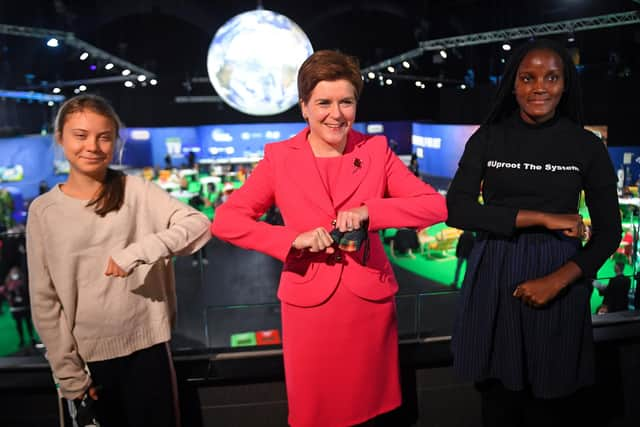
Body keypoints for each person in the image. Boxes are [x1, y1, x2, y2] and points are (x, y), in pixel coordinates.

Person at [211, 50, 447, 427]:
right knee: (315, 413)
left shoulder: (375, 150)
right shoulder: (279, 158)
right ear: (304, 106)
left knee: (375, 413)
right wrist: (292, 240)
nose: (336, 114)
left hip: (368, 307)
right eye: (323, 102)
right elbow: (226, 221)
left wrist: (372, 211)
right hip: (310, 309)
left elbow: (434, 206)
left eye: (346, 102)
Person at [446, 39, 621, 426]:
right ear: (514, 84)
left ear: (564, 85)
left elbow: (608, 233)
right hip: (494, 271)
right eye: (528, 77)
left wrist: (558, 280)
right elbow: (457, 210)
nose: (539, 86)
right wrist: (543, 217)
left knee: (552, 403)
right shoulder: (488, 137)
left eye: (551, 77)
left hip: (558, 276)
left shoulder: (586, 146)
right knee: (498, 402)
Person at [26, 94, 211, 427]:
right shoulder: (44, 211)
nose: (93, 146)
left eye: (104, 136)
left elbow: (198, 225)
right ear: (61, 139)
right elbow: (44, 299)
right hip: (88, 364)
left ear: (115, 141)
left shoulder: (136, 191)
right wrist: (70, 376)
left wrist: (139, 252)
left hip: (149, 350)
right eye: (80, 135)